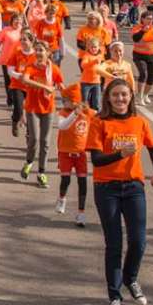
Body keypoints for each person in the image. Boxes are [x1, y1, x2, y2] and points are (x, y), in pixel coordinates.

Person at [86, 78, 153, 305]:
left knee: (139, 242)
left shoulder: (139, 122)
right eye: (116, 95)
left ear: (131, 97)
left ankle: (130, 278)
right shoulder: (99, 122)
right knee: (115, 244)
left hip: (133, 187)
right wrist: (120, 153)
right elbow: (96, 159)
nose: (120, 99)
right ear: (108, 97)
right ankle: (114, 298)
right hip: (106, 188)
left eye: (125, 95)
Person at [17, 41, 64, 187]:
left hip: (48, 109)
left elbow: (60, 85)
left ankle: (41, 172)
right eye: (36, 50)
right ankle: (29, 162)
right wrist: (45, 86)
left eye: (41, 50)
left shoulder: (54, 69)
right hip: (32, 108)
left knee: (45, 142)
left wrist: (70, 97)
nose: (38, 53)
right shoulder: (30, 67)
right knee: (34, 139)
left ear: (48, 53)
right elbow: (25, 80)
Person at [55, 84, 94, 226]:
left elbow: (100, 118)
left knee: (82, 183)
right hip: (65, 152)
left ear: (74, 101)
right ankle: (62, 198)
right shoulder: (64, 113)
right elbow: (62, 126)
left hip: (81, 154)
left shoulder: (88, 113)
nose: (63, 103)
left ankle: (81, 213)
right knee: (65, 180)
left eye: (65, 100)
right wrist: (75, 114)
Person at [130, 10, 153, 106]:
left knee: (151, 77)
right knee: (143, 74)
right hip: (139, 55)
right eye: (148, 18)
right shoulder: (137, 28)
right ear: (142, 19)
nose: (150, 21)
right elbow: (135, 38)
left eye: (151, 19)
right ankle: (139, 95)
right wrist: (143, 31)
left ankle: (145, 95)